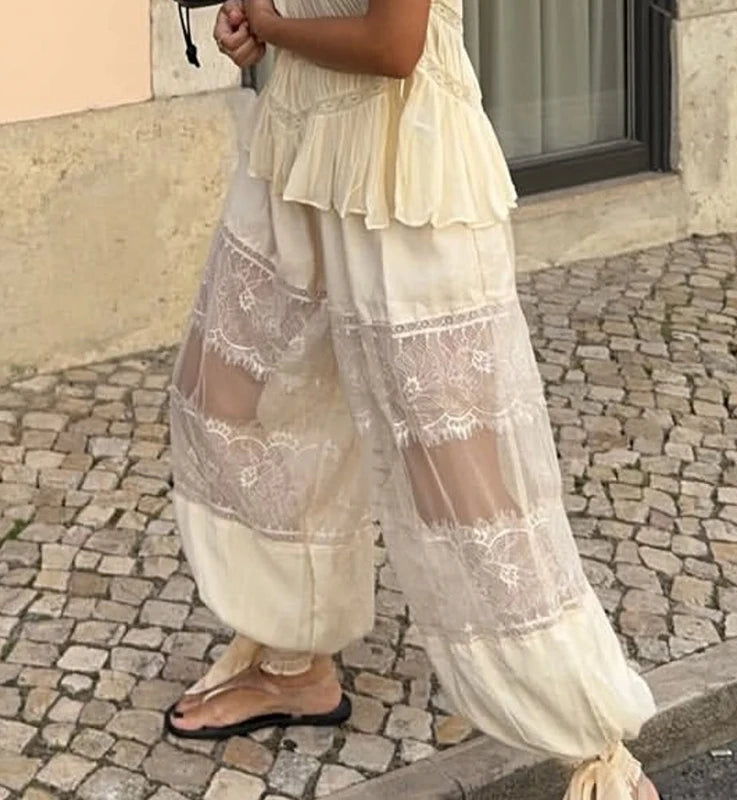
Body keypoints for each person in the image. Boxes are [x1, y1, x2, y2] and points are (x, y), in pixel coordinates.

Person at [165, 1, 661, 797]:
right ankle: (295, 657)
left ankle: (595, 746)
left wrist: (273, 23)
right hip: (298, 139)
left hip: (403, 176)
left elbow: (394, 45)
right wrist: (252, 24)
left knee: (457, 481)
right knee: (222, 392)